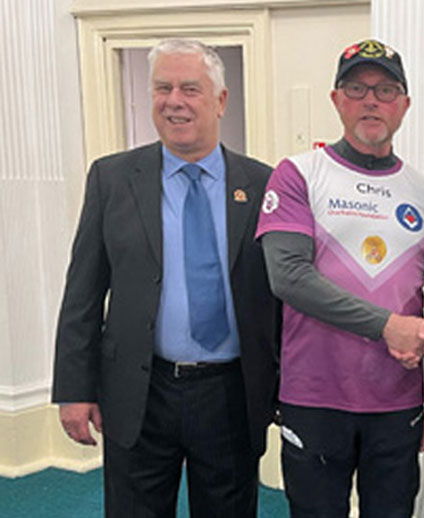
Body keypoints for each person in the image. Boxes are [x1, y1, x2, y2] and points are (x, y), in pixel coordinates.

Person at [51, 39, 278, 517]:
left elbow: (277, 295)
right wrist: (75, 388)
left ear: (220, 100)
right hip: (139, 390)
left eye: (190, 88)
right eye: (162, 88)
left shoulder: (262, 184)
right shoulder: (111, 179)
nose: (174, 100)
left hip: (230, 394)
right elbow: (83, 292)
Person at [255, 39, 424, 517]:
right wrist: (389, 325)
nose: (371, 100)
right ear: (336, 99)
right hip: (314, 397)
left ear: (404, 104)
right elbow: (288, 277)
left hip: (396, 403)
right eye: (357, 88)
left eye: (385, 90)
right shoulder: (297, 175)